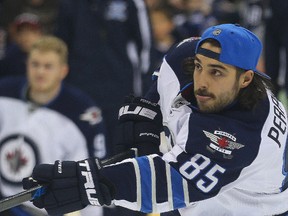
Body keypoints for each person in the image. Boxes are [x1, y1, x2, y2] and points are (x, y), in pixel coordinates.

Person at [23, 24, 288, 215]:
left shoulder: (246, 132)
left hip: (250, 208)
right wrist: (146, 128)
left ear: (246, 79)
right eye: (199, 66)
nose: (202, 82)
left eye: (217, 73)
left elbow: (169, 181)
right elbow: (156, 93)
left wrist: (88, 181)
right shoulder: (182, 57)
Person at [0, 36, 106, 216]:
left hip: (38, 210)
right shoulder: (4, 92)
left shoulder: (83, 114)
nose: (40, 72)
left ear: (63, 71)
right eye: (35, 64)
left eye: (48, 66)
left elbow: (91, 177)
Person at [54, 0, 154, 160]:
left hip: (120, 91)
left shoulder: (132, 3)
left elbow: (146, 48)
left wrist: (144, 92)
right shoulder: (70, 4)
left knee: (120, 155)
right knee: (81, 153)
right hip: (81, 91)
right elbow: (61, 45)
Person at [0, 13, 43, 78]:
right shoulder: (10, 54)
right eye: (21, 32)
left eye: (30, 32)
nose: (25, 37)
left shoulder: (49, 54)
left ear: (40, 34)